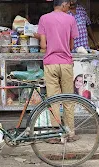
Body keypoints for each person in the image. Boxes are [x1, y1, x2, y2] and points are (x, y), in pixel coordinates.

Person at [37, 0, 79, 143]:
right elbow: (72, 45)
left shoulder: (44, 18)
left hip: (50, 63)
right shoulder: (71, 19)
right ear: (63, 4)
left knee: (53, 100)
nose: (69, 7)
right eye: (68, 5)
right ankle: (70, 133)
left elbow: (43, 45)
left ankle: (55, 134)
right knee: (68, 99)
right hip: (66, 63)